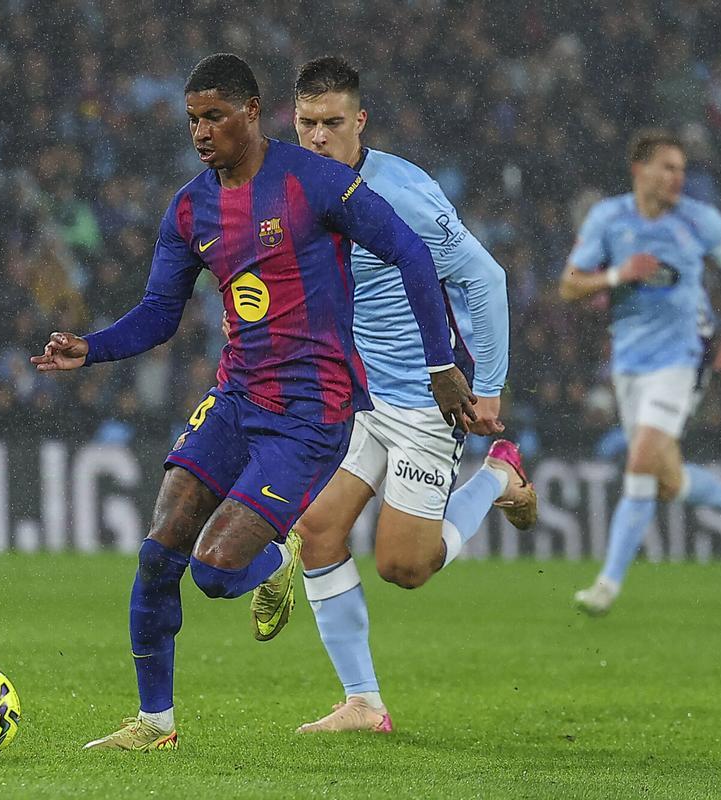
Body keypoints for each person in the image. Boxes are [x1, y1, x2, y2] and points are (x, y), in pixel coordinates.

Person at [32, 53, 476, 751]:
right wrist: (91, 347)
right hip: (237, 398)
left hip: (311, 414)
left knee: (214, 571)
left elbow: (411, 254)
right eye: (192, 120)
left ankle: (278, 560)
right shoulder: (190, 208)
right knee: (158, 552)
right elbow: (159, 312)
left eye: (214, 116)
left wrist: (440, 363)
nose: (201, 132)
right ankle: (154, 724)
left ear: (252, 112)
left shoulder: (314, 181)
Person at [255, 56, 537, 734]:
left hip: (422, 400)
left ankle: (497, 478)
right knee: (317, 530)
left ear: (360, 121)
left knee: (404, 567)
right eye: (306, 123)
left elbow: (485, 278)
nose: (318, 137)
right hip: (355, 396)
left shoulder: (403, 193)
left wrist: (488, 388)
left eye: (332, 123)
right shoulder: (293, 189)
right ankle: (363, 702)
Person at [558, 128, 721, 617]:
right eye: (668, 167)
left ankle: (606, 586)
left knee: (641, 461)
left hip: (683, 357)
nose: (677, 177)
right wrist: (617, 275)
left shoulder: (699, 220)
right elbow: (568, 286)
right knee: (665, 481)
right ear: (640, 169)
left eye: (681, 169)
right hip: (629, 363)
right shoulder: (609, 218)